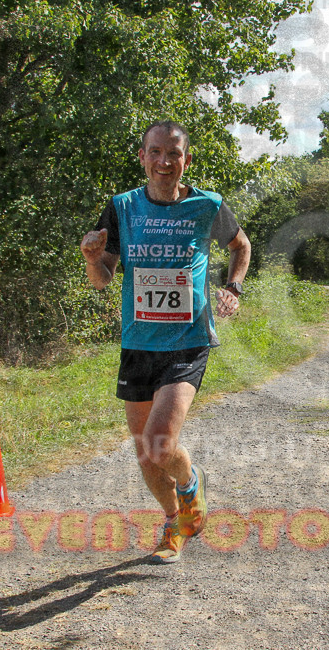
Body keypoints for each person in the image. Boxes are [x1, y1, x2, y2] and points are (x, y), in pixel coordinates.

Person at [80, 120, 251, 564]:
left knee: (159, 441)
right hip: (138, 343)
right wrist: (92, 259)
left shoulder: (207, 205)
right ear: (143, 157)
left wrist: (232, 288)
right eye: (155, 152)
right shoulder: (121, 208)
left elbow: (241, 246)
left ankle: (192, 483)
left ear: (185, 160)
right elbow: (102, 281)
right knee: (145, 455)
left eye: (173, 154)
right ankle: (176, 522)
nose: (164, 161)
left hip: (187, 340)